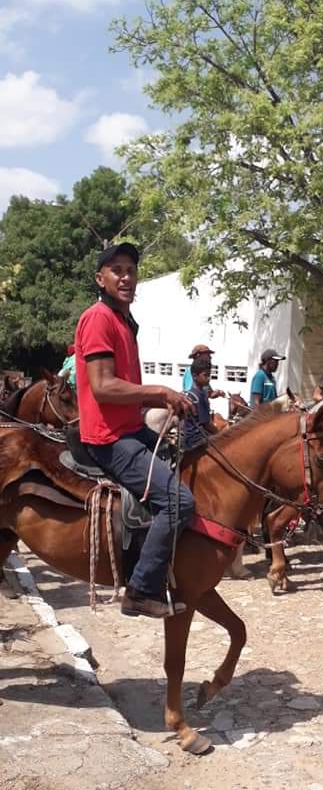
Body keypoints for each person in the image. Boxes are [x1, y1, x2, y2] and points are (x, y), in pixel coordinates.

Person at [75, 241, 195, 619]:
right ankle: (141, 589)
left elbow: (127, 388)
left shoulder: (125, 321)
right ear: (101, 278)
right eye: (117, 271)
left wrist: (169, 401)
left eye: (130, 270)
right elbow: (103, 386)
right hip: (109, 439)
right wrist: (161, 392)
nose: (126, 277)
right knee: (179, 504)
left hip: (131, 428)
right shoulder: (98, 318)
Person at [183, 356, 216, 448]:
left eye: (209, 375)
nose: (209, 378)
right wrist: (221, 433)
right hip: (197, 439)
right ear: (194, 376)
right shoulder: (198, 396)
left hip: (194, 437)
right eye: (205, 375)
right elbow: (207, 424)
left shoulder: (197, 392)